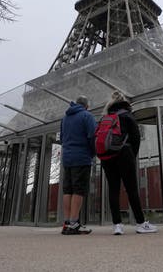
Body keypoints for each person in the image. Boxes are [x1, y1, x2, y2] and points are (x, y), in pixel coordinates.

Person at [100, 91, 158, 235]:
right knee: (131, 189)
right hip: (124, 154)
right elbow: (136, 138)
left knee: (113, 189)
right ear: (125, 102)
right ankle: (140, 223)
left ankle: (117, 225)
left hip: (107, 157)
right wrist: (132, 155)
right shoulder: (127, 115)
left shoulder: (106, 117)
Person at [60, 95, 96, 235]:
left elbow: (62, 138)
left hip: (67, 158)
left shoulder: (65, 118)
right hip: (81, 157)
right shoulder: (87, 116)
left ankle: (67, 222)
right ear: (86, 106)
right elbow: (93, 136)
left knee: (67, 190)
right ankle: (74, 223)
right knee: (78, 190)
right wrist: (93, 153)